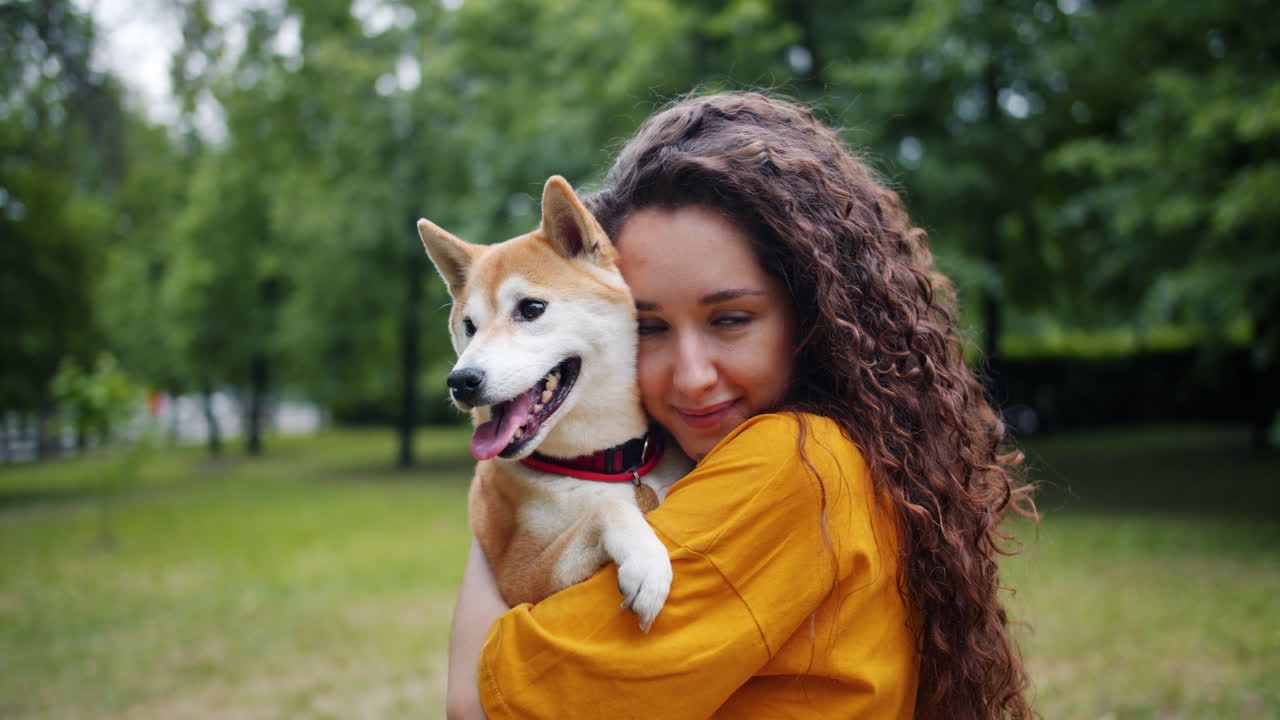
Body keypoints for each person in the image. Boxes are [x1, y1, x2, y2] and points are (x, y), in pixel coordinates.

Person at [446, 92, 1037, 720]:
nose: (694, 377)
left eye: (731, 319)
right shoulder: (854, 447)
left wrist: (509, 500)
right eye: (650, 329)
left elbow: (481, 700)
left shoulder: (788, 465)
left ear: (812, 315)